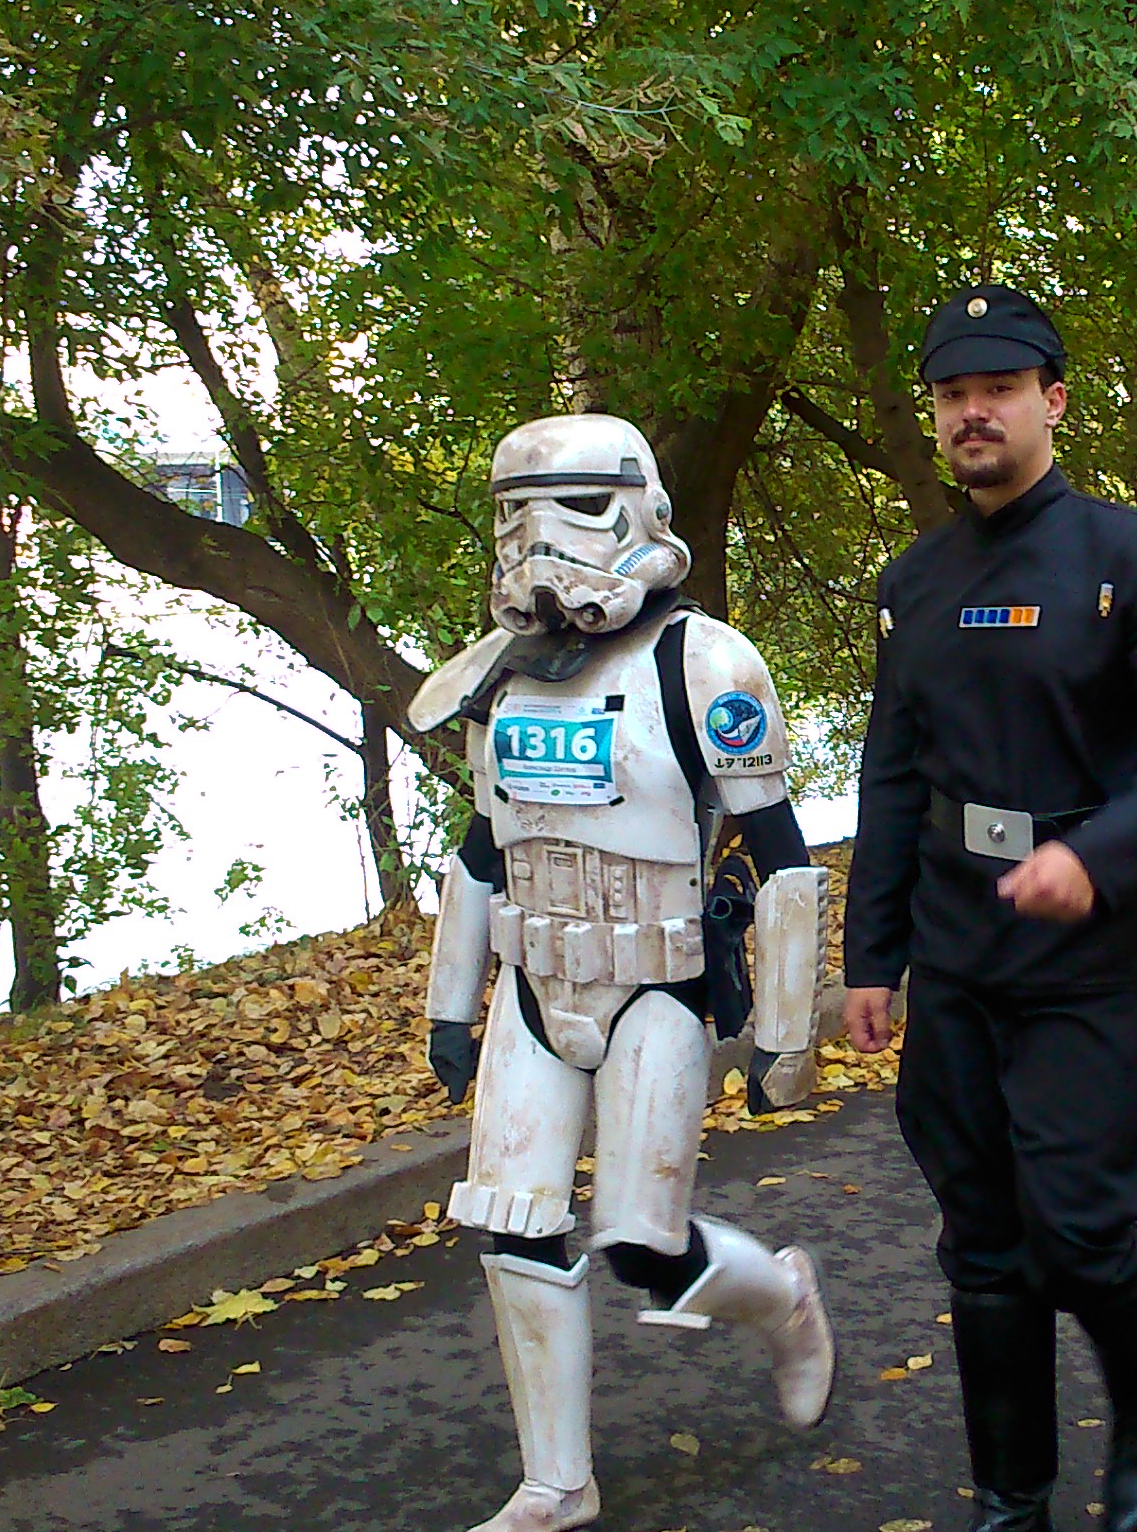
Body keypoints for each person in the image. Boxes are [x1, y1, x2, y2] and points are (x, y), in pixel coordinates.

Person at [842, 284, 1137, 1532]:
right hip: (961, 947)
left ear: (1050, 402)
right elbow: (891, 777)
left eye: (999, 390)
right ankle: (1010, 1494)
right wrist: (871, 955)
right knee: (980, 1235)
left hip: (1094, 947)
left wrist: (1096, 855)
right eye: (953, 395)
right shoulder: (912, 582)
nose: (974, 413)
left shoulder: (1134, 558)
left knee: (1075, 1224)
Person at [413, 415, 837, 1532]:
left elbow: (781, 856)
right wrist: (451, 1004)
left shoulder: (705, 662)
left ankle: (783, 1301)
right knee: (513, 1223)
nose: (541, 540)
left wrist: (783, 1033)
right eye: (516, 515)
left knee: (646, 1247)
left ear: (641, 507)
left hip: (659, 979)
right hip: (532, 980)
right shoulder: (500, 675)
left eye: (577, 507)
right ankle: (556, 1482)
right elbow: (481, 847)